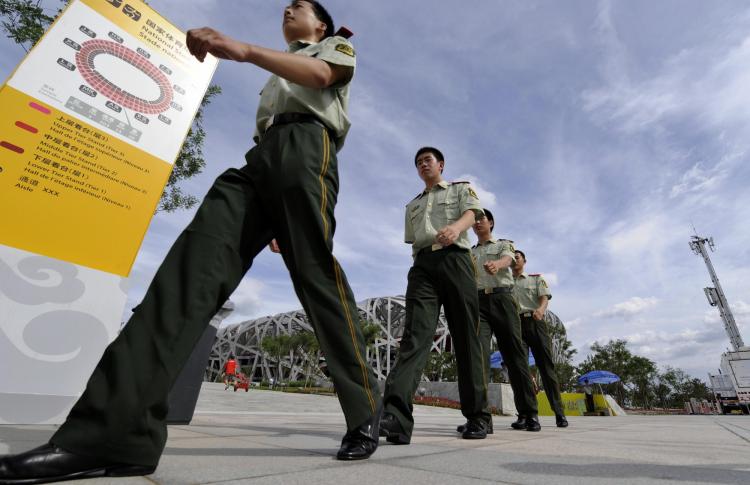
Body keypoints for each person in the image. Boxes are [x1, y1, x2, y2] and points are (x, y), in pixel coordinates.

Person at [0, 2, 381, 482]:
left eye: (299, 5)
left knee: (317, 282)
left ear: (320, 24)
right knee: (186, 276)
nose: (287, 8)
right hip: (258, 161)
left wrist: (241, 49)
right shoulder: (276, 74)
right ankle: (114, 434)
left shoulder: (333, 46)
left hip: (307, 148)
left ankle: (365, 410)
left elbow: (322, 76)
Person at [379, 146, 490, 444]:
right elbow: (411, 239)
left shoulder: (460, 188)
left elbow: (472, 214)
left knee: (466, 336)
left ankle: (478, 416)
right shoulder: (412, 206)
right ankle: (396, 419)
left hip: (456, 260)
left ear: (440, 164)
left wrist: (455, 228)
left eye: (427, 160)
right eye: (418, 163)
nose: (422, 165)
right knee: (415, 337)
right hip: (423, 266)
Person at [459, 209, 540, 432]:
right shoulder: (469, 251)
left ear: (491, 222)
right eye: (474, 220)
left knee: (515, 356)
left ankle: (528, 413)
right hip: (478, 303)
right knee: (478, 358)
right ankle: (480, 417)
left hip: (503, 298)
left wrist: (498, 265)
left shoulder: (504, 244)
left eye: (481, 218)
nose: (477, 223)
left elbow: (508, 258)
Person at [512, 250, 568, 428]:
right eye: (511, 257)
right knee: (520, 371)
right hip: (516, 326)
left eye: (517, 257)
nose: (514, 259)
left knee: (546, 368)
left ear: (524, 261)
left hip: (535, 322)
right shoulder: (505, 282)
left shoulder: (535, 279)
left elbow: (544, 297)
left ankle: (559, 413)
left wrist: (541, 310)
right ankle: (526, 414)